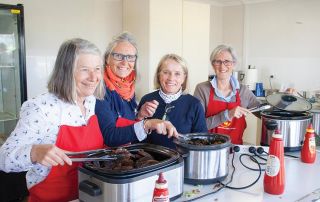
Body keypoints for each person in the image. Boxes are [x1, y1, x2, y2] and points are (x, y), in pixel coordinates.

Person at [0, 38, 106, 201]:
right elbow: (4, 158)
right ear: (66, 71)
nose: (94, 77)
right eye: (85, 69)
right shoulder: (41, 108)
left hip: (89, 196)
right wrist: (34, 152)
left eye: (97, 69)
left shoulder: (90, 101)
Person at [96, 32, 178, 147]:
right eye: (118, 56)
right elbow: (110, 136)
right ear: (107, 58)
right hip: (106, 159)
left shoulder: (128, 88)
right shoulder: (99, 88)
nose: (125, 62)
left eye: (130, 57)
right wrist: (146, 124)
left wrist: (139, 116)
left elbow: (127, 129)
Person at [194, 45, 260, 144]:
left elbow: (265, 113)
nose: (222, 66)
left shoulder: (243, 91)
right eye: (217, 62)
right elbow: (198, 126)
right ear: (212, 65)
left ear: (234, 64)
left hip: (235, 151)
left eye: (227, 62)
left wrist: (282, 100)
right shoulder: (203, 89)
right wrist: (227, 114)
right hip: (208, 150)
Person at [138, 54, 207, 149]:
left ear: (184, 78)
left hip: (182, 162)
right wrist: (140, 117)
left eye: (177, 73)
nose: (171, 78)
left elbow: (201, 143)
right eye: (166, 72)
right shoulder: (146, 100)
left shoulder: (194, 105)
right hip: (149, 161)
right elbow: (135, 138)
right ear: (159, 75)